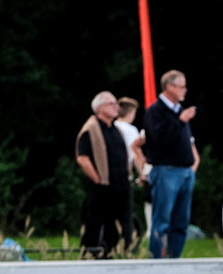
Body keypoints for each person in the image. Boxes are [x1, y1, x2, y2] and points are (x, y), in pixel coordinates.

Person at [143, 70, 199, 259]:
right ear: (169, 87)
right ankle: (157, 259)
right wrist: (180, 121)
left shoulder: (178, 110)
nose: (185, 90)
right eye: (181, 86)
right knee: (162, 220)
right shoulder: (155, 111)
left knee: (181, 221)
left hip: (185, 171)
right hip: (166, 170)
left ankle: (175, 258)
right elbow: (159, 140)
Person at [75, 91, 132, 258]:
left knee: (117, 225)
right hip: (103, 186)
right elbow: (82, 158)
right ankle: (89, 254)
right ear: (99, 108)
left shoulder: (116, 130)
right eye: (111, 104)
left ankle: (111, 254)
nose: (116, 107)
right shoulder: (90, 129)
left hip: (121, 185)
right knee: (96, 222)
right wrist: (98, 179)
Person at [115, 96, 149, 240]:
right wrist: (142, 173)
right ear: (130, 113)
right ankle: (128, 243)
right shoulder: (130, 129)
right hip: (124, 176)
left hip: (108, 176)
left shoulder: (112, 126)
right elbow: (135, 154)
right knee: (126, 213)